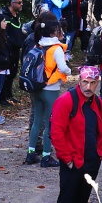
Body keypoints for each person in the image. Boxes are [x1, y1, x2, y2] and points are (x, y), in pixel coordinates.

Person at [47, 67, 102, 203]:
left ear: (97, 83)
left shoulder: (98, 102)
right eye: (85, 82)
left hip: (91, 162)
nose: (88, 87)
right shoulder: (66, 101)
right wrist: (67, 159)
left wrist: (100, 153)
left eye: (93, 83)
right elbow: (56, 132)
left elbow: (101, 129)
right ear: (79, 81)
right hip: (73, 163)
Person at [24, 15, 72, 167]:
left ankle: (31, 154)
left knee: (37, 121)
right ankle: (46, 156)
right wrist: (69, 71)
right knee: (50, 123)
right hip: (50, 89)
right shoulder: (56, 48)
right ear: (54, 32)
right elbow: (63, 68)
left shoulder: (38, 45)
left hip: (37, 88)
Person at [0, 0, 26, 125]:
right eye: (18, 2)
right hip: (2, 61)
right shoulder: (2, 17)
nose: (21, 5)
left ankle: (7, 95)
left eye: (21, 2)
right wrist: (4, 58)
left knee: (12, 73)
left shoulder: (16, 17)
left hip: (11, 53)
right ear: (11, 3)